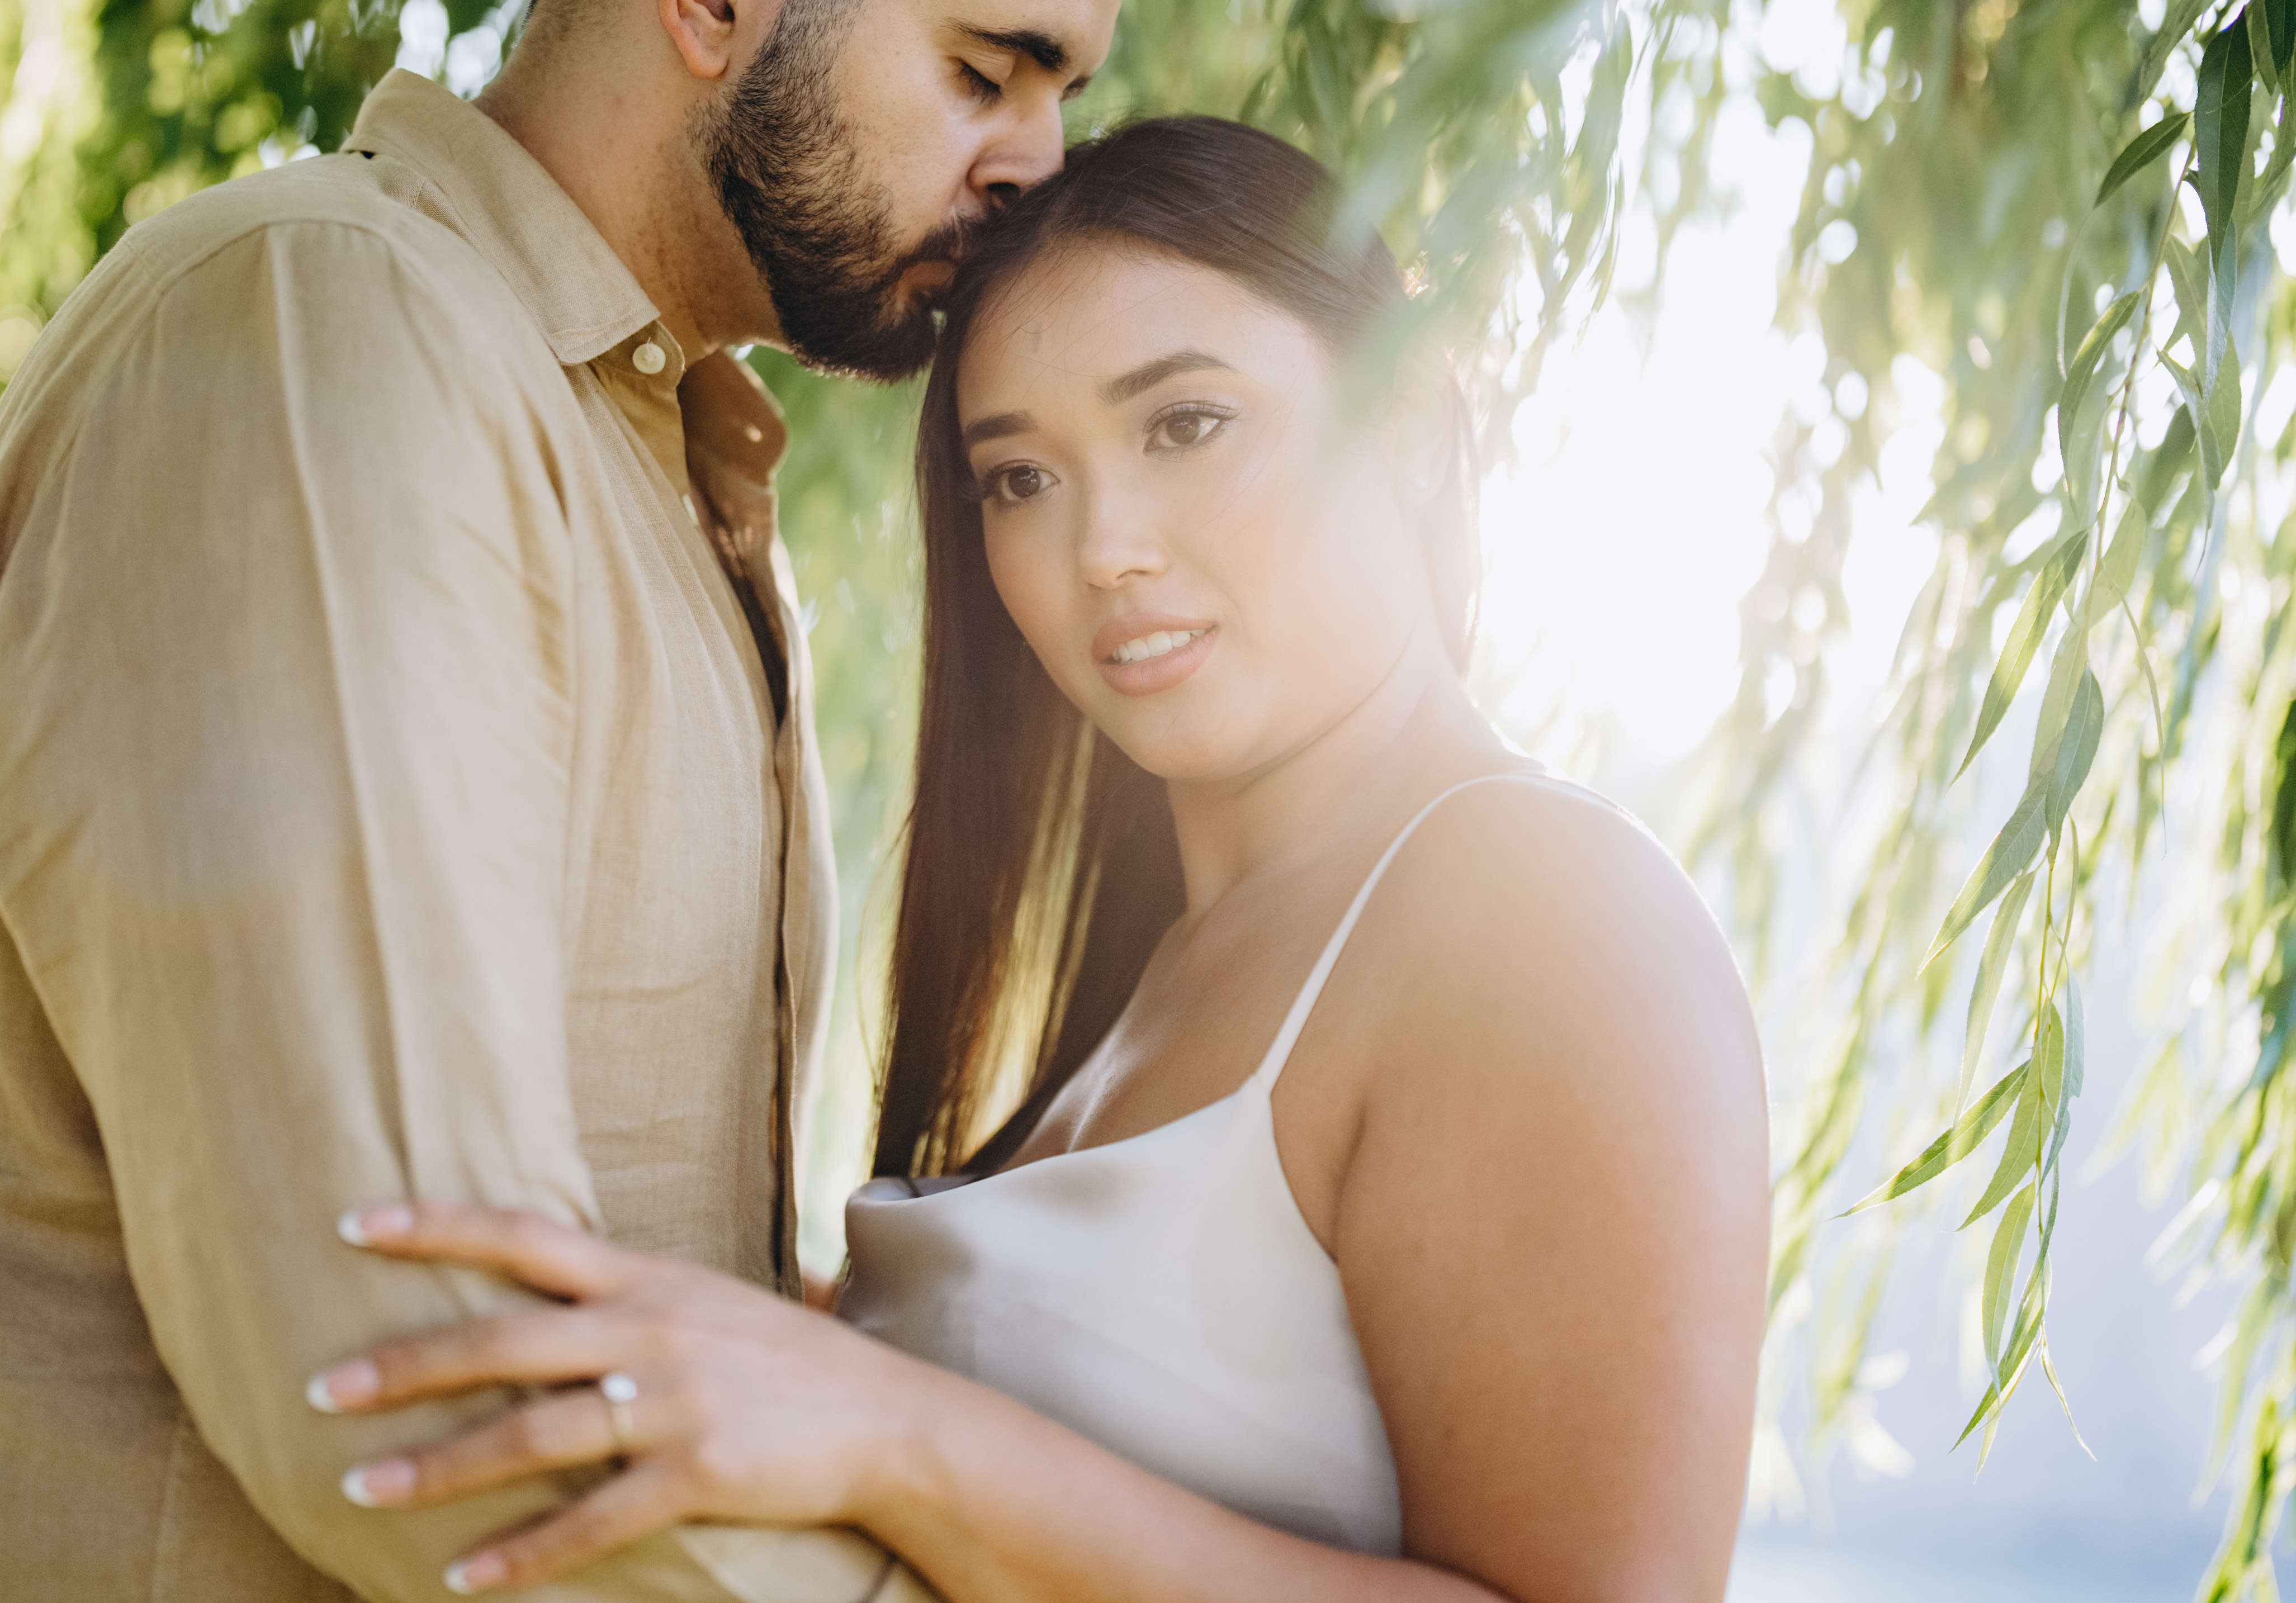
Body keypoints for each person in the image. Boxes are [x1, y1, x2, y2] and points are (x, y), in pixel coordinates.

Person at [0, 0, 1242, 1602]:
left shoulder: (681, 499)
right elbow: (428, 1379)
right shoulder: (327, 334)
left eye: (1061, 97)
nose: (1038, 172)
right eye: (984, 70)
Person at [297, 119, 1772, 1602]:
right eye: (1018, 479)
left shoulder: (1546, 914)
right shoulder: (1165, 959)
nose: (1104, 546)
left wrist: (896, 1432)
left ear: (1407, 424)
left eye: (1185, 424)